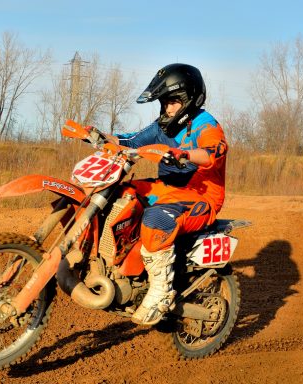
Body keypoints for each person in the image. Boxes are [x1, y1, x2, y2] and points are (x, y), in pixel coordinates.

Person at [113, 63, 227, 326]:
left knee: (157, 219)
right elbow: (131, 140)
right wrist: (96, 136)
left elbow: (214, 152)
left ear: (188, 99)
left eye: (173, 101)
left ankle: (161, 292)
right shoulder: (162, 127)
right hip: (168, 191)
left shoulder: (206, 125)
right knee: (119, 194)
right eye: (165, 102)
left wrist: (186, 154)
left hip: (201, 196)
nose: (168, 108)